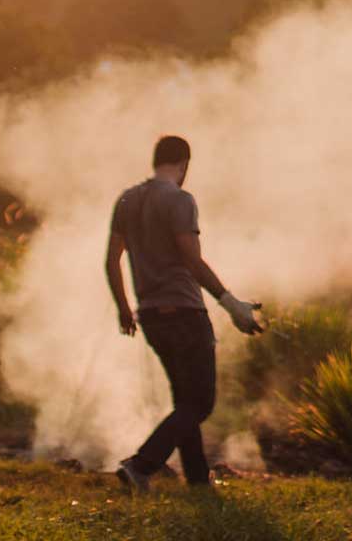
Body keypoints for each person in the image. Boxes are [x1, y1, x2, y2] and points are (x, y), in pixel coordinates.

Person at [105, 133, 262, 492]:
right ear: (184, 164)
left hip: (150, 316)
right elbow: (191, 259)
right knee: (200, 403)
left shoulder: (127, 200)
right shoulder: (179, 200)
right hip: (185, 313)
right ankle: (141, 465)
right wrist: (230, 302)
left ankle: (197, 481)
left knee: (184, 401)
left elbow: (111, 260)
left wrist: (123, 307)